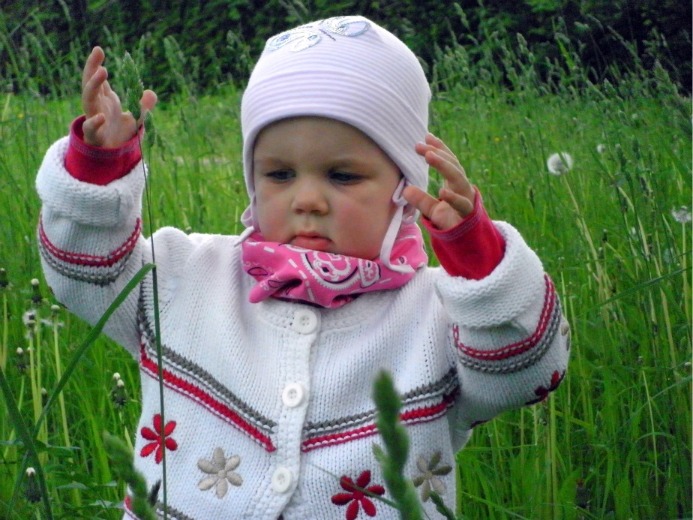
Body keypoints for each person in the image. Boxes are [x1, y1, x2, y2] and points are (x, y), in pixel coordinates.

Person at [36, 15, 570, 520]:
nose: (307, 199)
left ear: (405, 188)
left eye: (342, 176)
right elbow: (87, 278)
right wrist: (98, 171)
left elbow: (524, 374)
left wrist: (474, 255)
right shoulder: (188, 276)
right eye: (280, 174)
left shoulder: (435, 316)